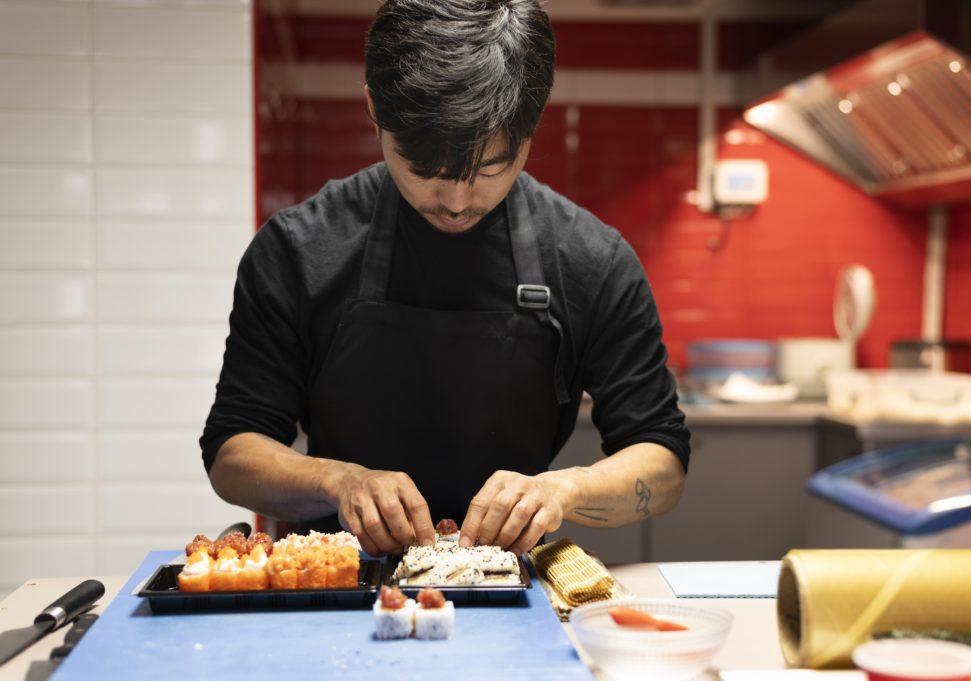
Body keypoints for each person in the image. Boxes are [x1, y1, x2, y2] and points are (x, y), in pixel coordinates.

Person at [201, 0, 690, 557]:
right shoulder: (297, 248)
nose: (456, 202)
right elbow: (231, 453)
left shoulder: (591, 261)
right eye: (425, 169)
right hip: (332, 585)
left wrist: (564, 490)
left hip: (509, 586)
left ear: (532, 128)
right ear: (373, 110)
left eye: (489, 169)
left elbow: (663, 459)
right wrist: (340, 482)